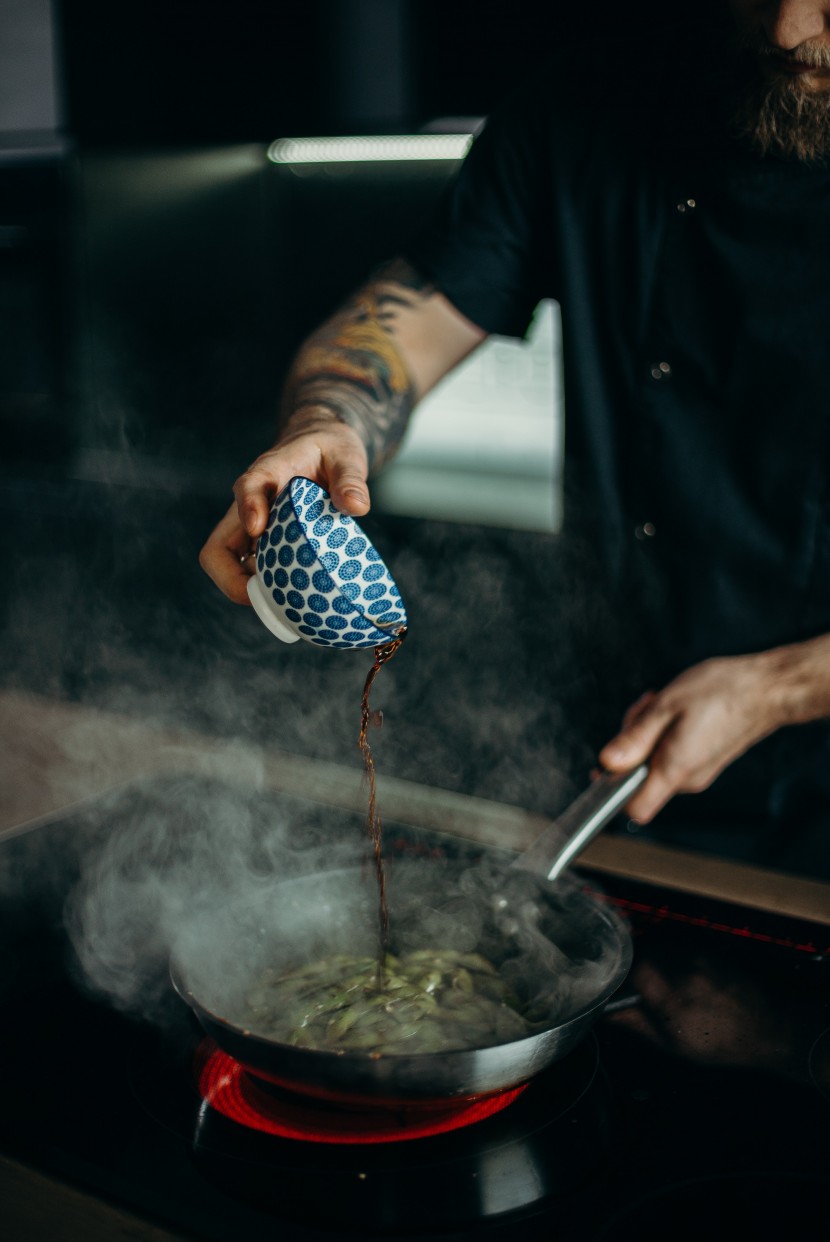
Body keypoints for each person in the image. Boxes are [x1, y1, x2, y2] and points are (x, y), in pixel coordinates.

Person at [201, 0, 830, 871]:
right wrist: (325, 423)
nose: (788, 27)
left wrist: (778, 688)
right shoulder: (592, 97)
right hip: (609, 753)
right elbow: (406, 321)